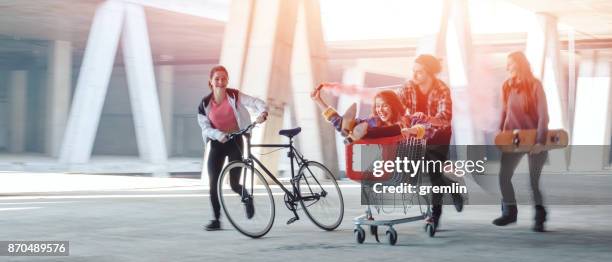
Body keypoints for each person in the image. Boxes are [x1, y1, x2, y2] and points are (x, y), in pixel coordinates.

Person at [197, 65, 268, 231]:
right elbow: (205, 128)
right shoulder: (205, 104)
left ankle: (247, 198)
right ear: (211, 82)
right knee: (213, 184)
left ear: (227, 81)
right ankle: (216, 220)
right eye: (217, 79)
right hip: (217, 144)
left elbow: (255, 102)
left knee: (234, 183)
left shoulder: (234, 95)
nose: (220, 82)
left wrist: (263, 112)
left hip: (235, 141)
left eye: (223, 79)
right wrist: (218, 135)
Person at [397, 54, 463, 229]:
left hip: (439, 135)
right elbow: (397, 108)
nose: (414, 75)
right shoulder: (408, 87)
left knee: (434, 174)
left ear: (429, 73)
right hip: (416, 135)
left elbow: (445, 118)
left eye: (419, 72)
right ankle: (451, 186)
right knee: (415, 173)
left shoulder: (441, 89)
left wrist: (426, 118)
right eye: (413, 71)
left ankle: (434, 215)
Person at [493, 51, 549, 232]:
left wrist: (540, 142)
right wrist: (501, 135)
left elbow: (543, 116)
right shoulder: (506, 86)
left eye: (510, 63)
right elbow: (504, 113)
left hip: (534, 139)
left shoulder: (535, 85)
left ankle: (540, 217)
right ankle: (510, 213)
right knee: (503, 177)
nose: (507, 67)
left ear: (519, 64)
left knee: (533, 181)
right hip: (512, 139)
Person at [311, 86, 432, 142]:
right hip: (382, 163)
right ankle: (353, 130)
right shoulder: (373, 121)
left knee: (396, 129)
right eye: (378, 106)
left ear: (394, 105)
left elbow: (426, 129)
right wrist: (319, 101)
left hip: (404, 162)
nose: (380, 110)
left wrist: (411, 131)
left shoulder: (409, 119)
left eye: (384, 105)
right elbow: (338, 122)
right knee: (350, 125)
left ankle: (356, 134)